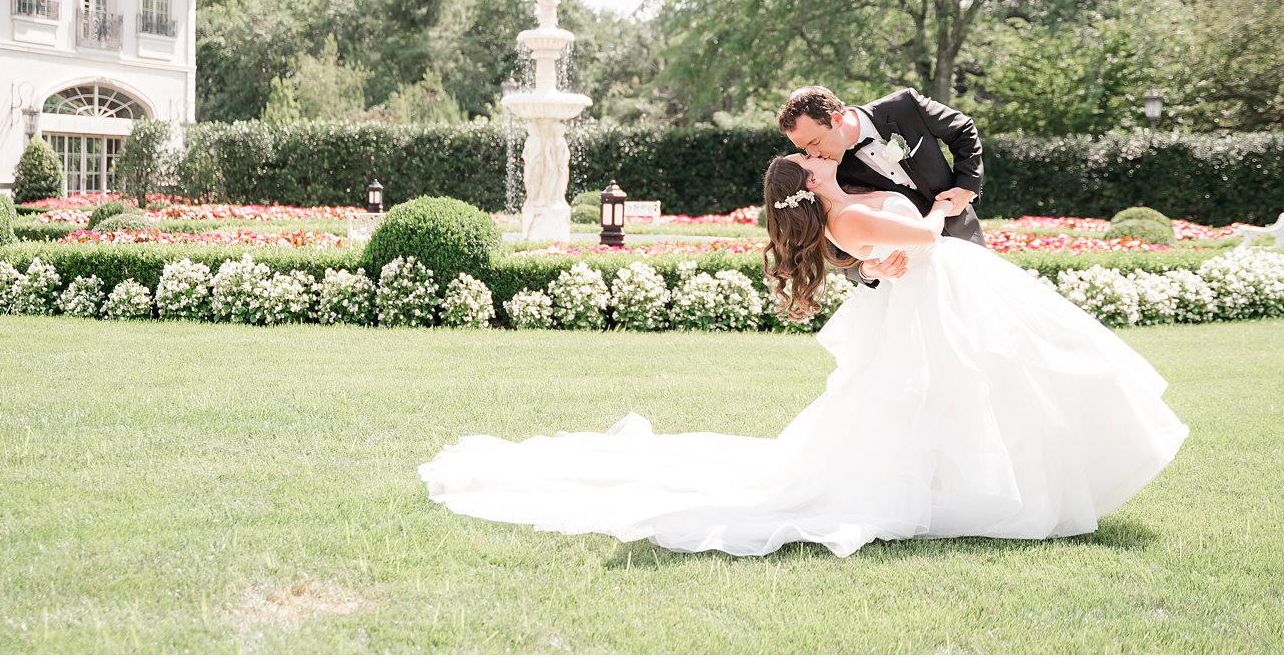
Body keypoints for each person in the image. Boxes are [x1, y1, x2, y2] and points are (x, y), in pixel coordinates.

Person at [417, 155, 1189, 558]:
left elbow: (888, 255)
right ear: (809, 185)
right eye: (812, 166)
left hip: (932, 304)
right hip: (943, 294)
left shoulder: (842, 220)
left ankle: (973, 480)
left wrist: (889, 246)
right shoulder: (847, 216)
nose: (820, 164)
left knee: (963, 397)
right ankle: (974, 488)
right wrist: (940, 207)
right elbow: (922, 241)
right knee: (971, 394)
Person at [778, 85, 984, 285]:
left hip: (964, 236)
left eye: (814, 142)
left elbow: (962, 129)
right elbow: (829, 233)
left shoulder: (905, 106)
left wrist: (967, 187)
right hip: (910, 273)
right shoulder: (827, 175)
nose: (813, 154)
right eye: (804, 148)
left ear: (837, 119)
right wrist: (864, 270)